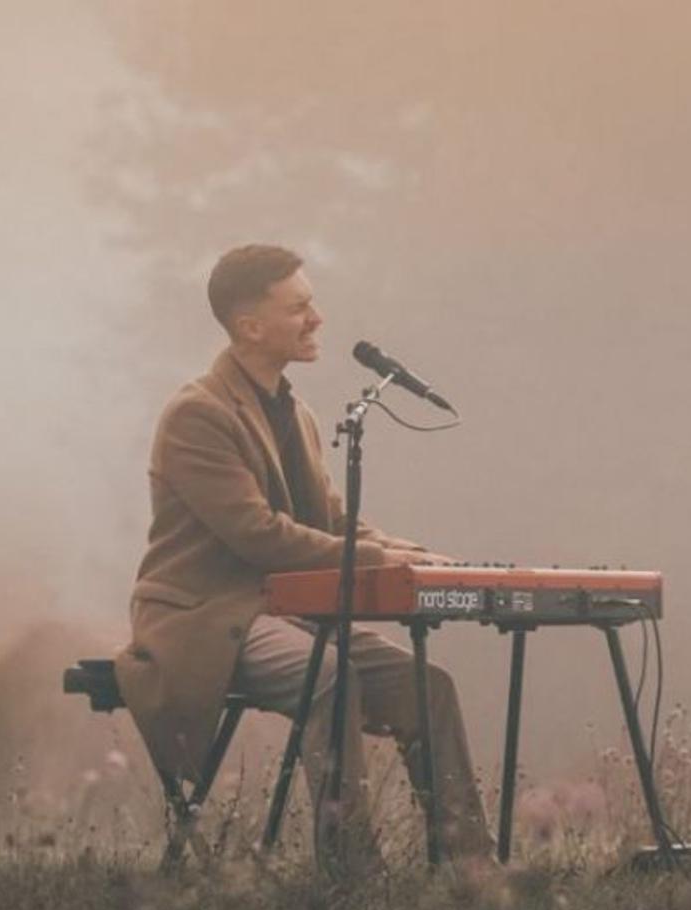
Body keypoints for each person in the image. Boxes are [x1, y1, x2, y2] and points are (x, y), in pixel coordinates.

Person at [114, 243, 494, 869]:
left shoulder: (299, 414)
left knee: (426, 686)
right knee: (331, 676)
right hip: (207, 618)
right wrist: (378, 559)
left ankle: (469, 866)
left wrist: (411, 555)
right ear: (250, 326)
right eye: (298, 308)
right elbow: (260, 535)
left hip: (283, 613)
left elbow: (330, 522)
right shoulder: (197, 415)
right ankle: (351, 871)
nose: (317, 319)